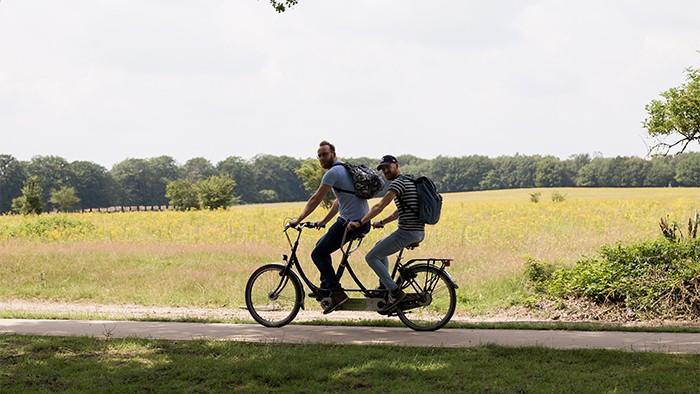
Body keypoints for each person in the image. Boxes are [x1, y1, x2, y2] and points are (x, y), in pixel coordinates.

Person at [288, 141, 371, 314]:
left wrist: (298, 219)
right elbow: (339, 201)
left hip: (350, 223)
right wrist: (325, 221)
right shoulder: (345, 169)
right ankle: (326, 288)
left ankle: (336, 292)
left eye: (324, 154)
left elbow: (316, 198)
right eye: (319, 155)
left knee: (317, 253)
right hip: (361, 220)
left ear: (333, 154)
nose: (321, 158)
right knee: (321, 245)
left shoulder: (333, 173)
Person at [347, 155, 424, 311]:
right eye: (383, 169)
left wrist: (361, 222)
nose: (385, 171)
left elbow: (379, 206)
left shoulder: (398, 184)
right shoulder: (409, 181)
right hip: (417, 231)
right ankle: (384, 287)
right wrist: (382, 222)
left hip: (407, 232)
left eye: (388, 167)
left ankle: (394, 291)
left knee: (371, 257)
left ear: (397, 165)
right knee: (379, 247)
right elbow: (399, 212)